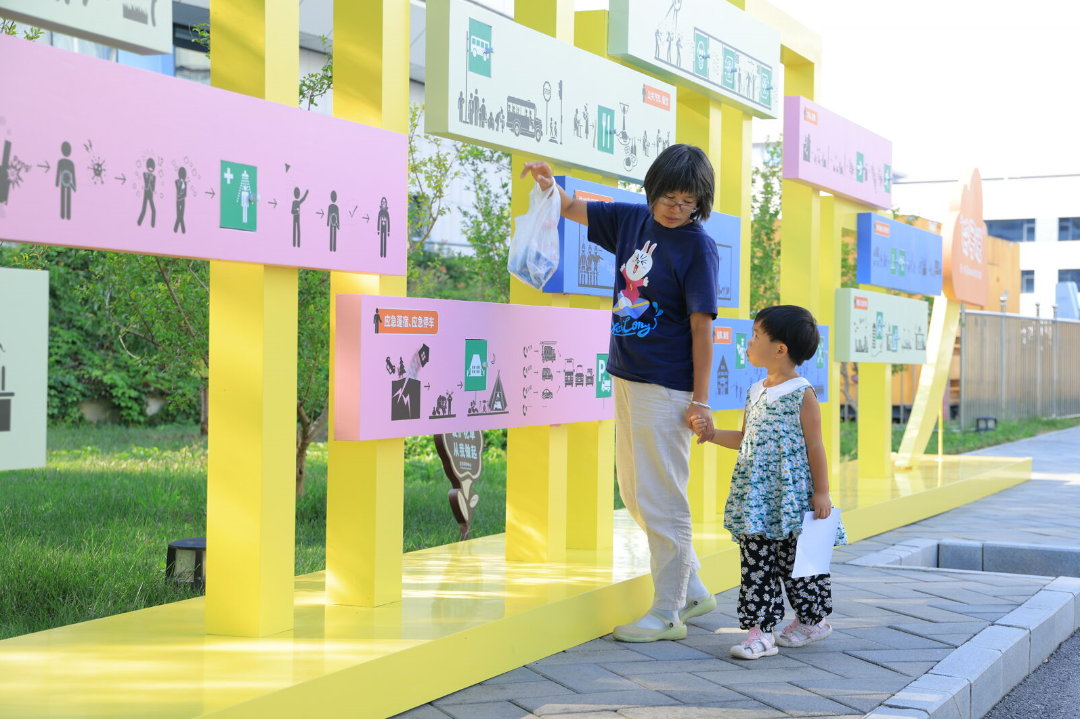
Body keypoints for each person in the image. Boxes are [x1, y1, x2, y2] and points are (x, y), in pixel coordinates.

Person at [522, 145, 720, 643]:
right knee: (634, 492)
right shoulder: (632, 221)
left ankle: (667, 612)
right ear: (651, 191)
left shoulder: (698, 247)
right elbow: (570, 208)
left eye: (687, 202)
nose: (676, 209)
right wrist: (549, 186)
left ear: (700, 203)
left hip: (668, 387)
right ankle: (691, 587)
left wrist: (700, 400)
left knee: (662, 498)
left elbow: (702, 329)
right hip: (628, 377)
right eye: (668, 198)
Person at [691, 305, 847, 660]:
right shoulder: (755, 391)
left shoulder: (801, 392)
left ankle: (812, 620)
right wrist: (713, 435)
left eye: (757, 336)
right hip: (756, 499)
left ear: (780, 349)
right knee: (755, 561)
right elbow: (747, 438)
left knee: (798, 563)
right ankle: (760, 632)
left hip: (792, 499)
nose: (749, 341)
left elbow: (815, 445)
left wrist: (821, 492)